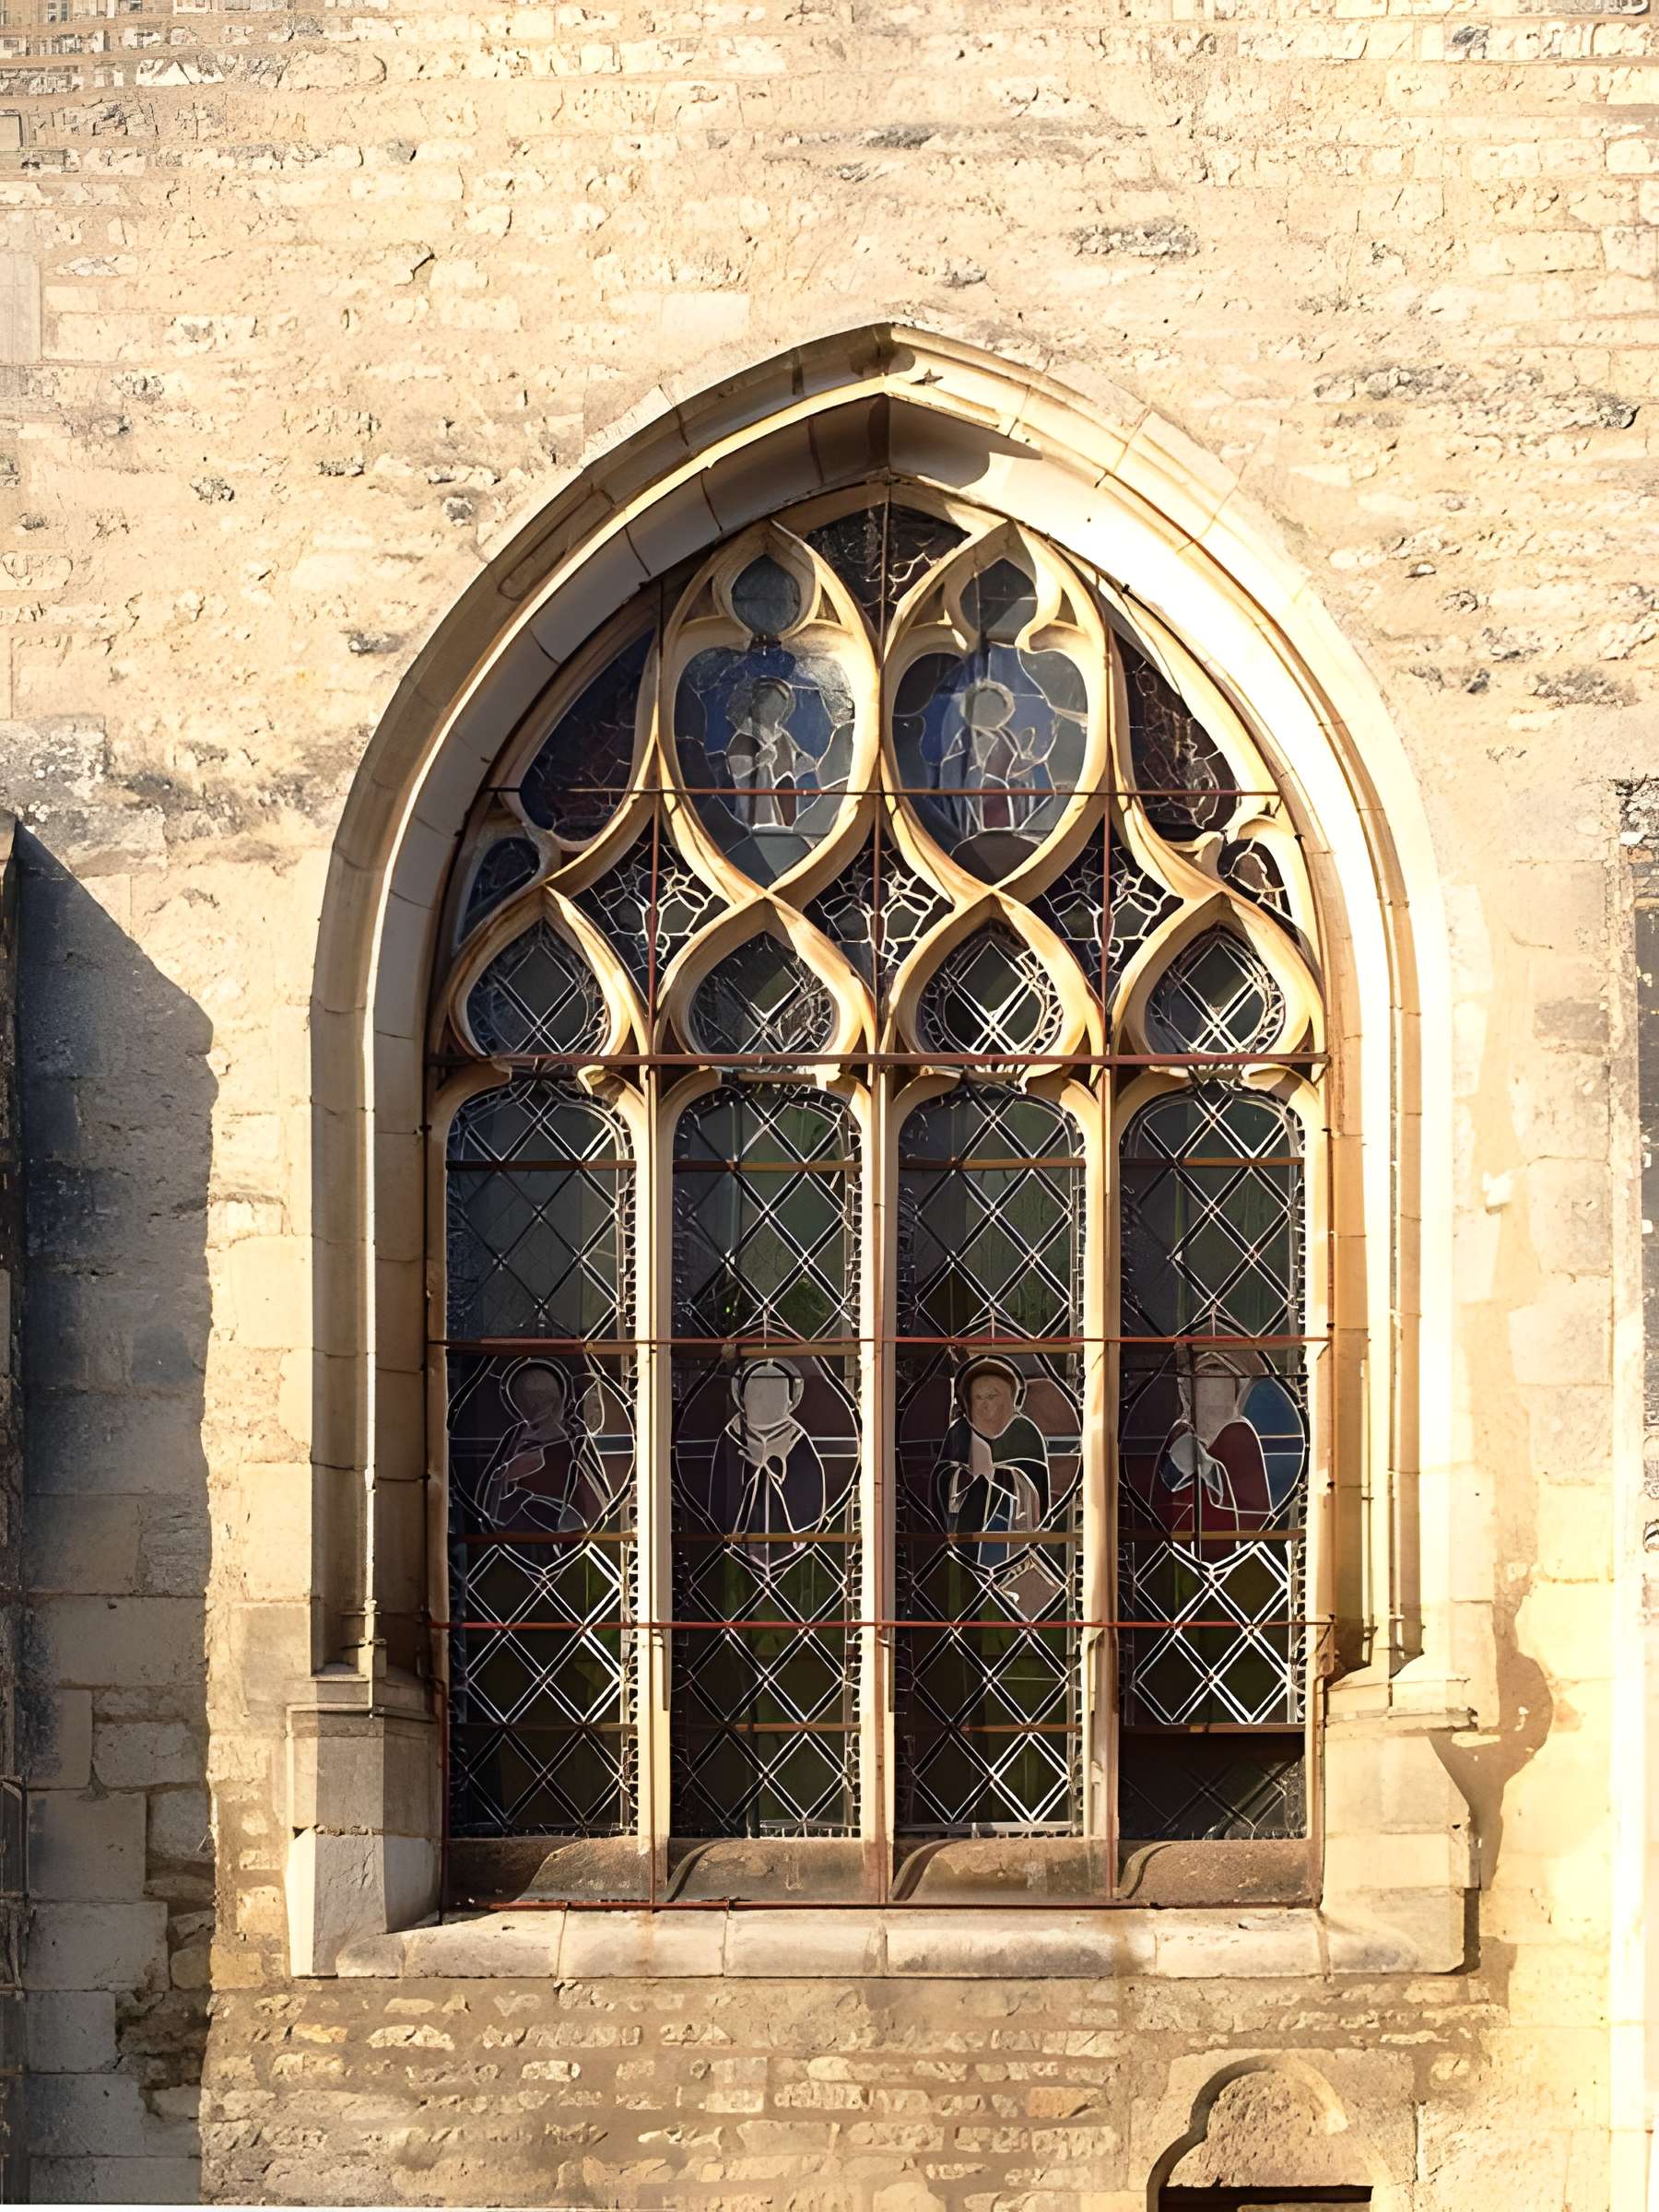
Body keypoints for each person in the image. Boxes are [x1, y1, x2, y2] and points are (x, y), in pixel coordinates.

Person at [935, 1357, 1057, 1608]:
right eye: (978, 1398)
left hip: (1011, 1533)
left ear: (1011, 1398)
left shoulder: (1024, 1431)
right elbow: (941, 1480)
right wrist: (963, 1476)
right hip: (967, 1528)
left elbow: (1037, 1492)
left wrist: (997, 1473)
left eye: (993, 1396)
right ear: (967, 1402)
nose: (986, 1404)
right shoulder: (959, 1432)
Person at [477, 1361, 614, 1535]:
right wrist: (508, 1473)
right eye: (527, 1399)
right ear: (518, 1403)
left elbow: (593, 1495)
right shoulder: (515, 1434)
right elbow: (495, 1489)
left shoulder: (575, 1437)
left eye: (544, 1399)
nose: (536, 1405)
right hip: (518, 1524)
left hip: (563, 1520)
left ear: (559, 1399)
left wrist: (544, 1458)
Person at [724, 1358, 828, 1547]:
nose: (765, 1402)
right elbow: (720, 1494)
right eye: (758, 1394)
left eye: (775, 1395)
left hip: (785, 1539)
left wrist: (776, 1471)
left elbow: (809, 1493)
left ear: (789, 1402)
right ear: (743, 1398)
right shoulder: (734, 1434)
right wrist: (749, 1472)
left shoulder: (794, 1438)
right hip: (743, 1540)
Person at [724, 675, 810, 832]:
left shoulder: (782, 736)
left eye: (780, 705)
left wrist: (805, 764)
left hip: (786, 802)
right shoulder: (744, 737)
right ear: (756, 704)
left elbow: (797, 764)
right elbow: (735, 771)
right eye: (770, 703)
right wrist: (758, 762)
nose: (775, 710)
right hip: (755, 810)